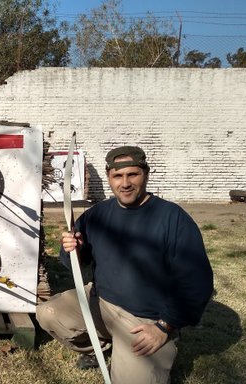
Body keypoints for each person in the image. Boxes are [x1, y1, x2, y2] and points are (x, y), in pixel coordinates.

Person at [36, 146, 213, 384]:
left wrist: (164, 326)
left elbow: (197, 282)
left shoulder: (173, 219)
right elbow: (77, 265)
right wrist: (72, 249)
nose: (125, 183)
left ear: (146, 174)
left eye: (133, 174)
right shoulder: (97, 215)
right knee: (48, 313)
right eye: (118, 176)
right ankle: (99, 346)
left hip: (145, 320)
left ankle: (148, 350)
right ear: (110, 178)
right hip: (101, 303)